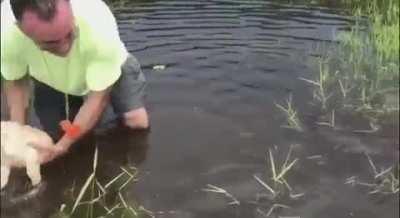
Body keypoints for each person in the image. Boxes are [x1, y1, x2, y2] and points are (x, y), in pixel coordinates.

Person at [1, 0, 150, 163]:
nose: (66, 48)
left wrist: (64, 146)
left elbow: (98, 99)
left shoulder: (98, 25)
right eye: (52, 43)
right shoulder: (6, 34)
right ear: (21, 30)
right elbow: (16, 83)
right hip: (47, 75)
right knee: (55, 135)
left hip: (100, 61)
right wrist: (19, 135)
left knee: (137, 122)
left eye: (70, 33)